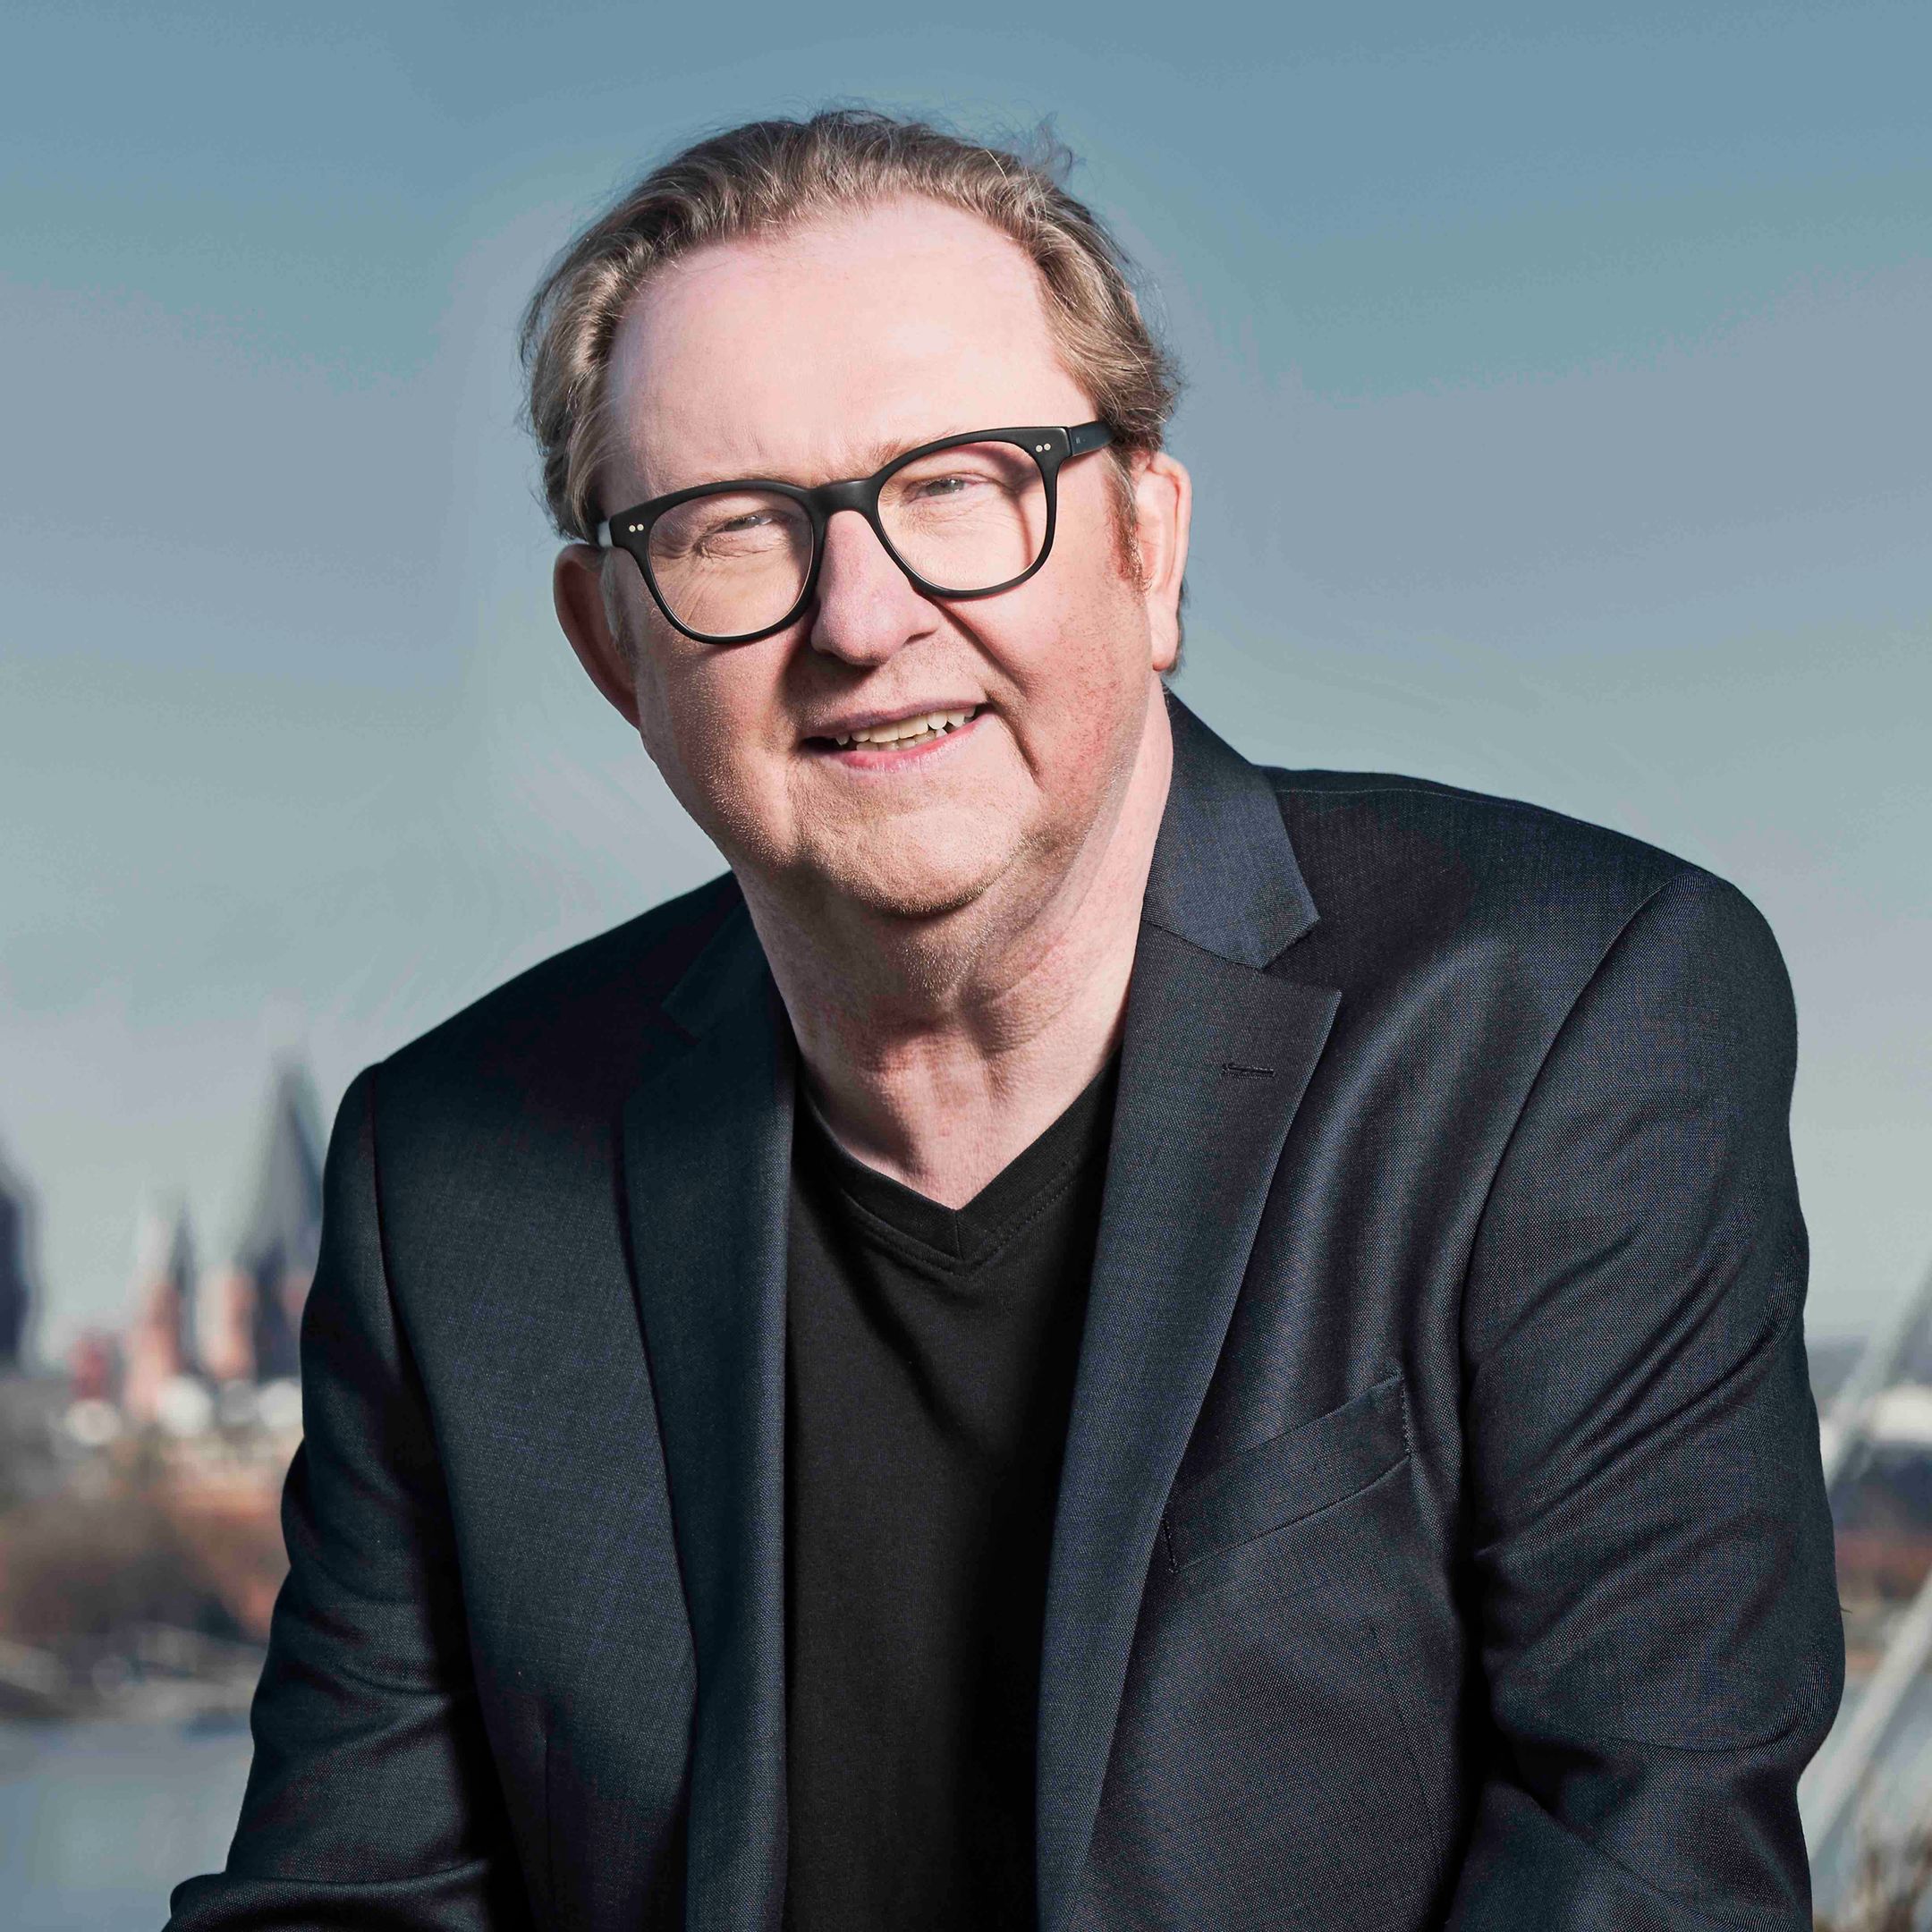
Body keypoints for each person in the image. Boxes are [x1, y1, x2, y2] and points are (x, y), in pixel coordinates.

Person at [168, 109, 1843, 1931]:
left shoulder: (1570, 1021)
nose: (864, 616)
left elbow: (1646, 1861)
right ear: (613, 651)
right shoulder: (452, 1174)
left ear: (1147, 546)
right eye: (732, 530)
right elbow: (348, 1900)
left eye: (961, 485)